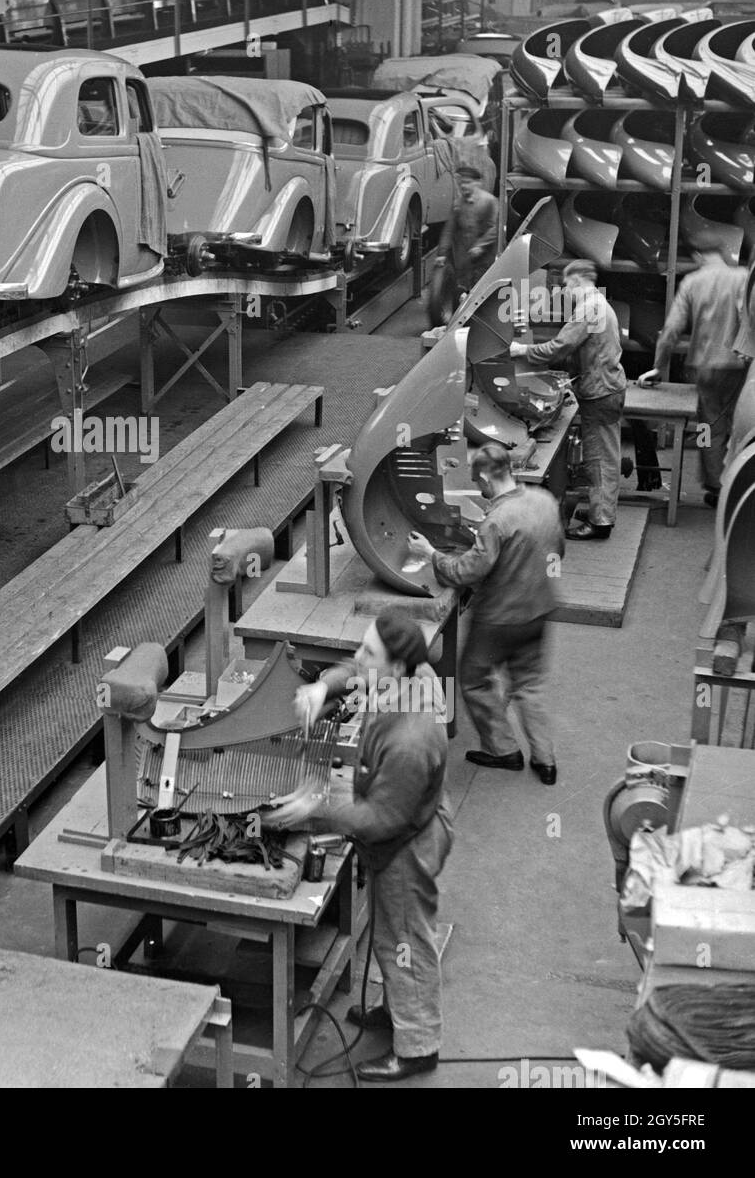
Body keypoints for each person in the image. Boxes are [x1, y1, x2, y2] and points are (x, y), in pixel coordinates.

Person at [264, 611, 453, 1083]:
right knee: (393, 936)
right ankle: (399, 1013)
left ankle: (417, 1047)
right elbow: (352, 673)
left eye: (370, 652)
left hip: (410, 842)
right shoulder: (405, 676)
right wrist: (322, 689)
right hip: (407, 815)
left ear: (394, 669)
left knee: (406, 937)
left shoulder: (411, 736)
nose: (358, 656)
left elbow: (383, 820)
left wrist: (318, 806)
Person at [407, 443, 565, 785]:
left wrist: (431, 554)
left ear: (484, 478)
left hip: (499, 620)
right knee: (529, 683)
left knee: (474, 679)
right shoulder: (544, 500)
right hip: (539, 611)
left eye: (478, 484)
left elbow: (468, 572)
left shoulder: (496, 521)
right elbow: (557, 552)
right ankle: (545, 759)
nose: (479, 490)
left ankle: (502, 749)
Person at [511, 259, 626, 539]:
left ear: (576, 281)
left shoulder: (589, 309)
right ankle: (603, 510)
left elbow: (559, 347)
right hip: (607, 387)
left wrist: (521, 350)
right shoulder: (599, 304)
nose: (565, 291)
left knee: (599, 458)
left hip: (601, 391)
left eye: (566, 285)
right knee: (605, 455)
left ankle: (600, 522)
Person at [638, 246, 748, 507]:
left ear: (699, 257)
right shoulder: (743, 276)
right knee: (740, 425)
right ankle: (739, 485)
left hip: (704, 368)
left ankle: (714, 485)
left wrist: (658, 365)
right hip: (739, 366)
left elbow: (672, 329)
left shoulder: (692, 281)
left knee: (707, 426)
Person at [429, 165, 499, 325]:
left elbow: (495, 228)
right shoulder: (458, 204)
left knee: (481, 293)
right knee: (460, 292)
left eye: (467, 182)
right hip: (464, 259)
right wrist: (441, 254)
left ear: (477, 183)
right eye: (461, 183)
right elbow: (449, 230)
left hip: (484, 260)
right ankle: (459, 326)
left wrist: (481, 245)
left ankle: (481, 326)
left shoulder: (489, 202)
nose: (464, 186)